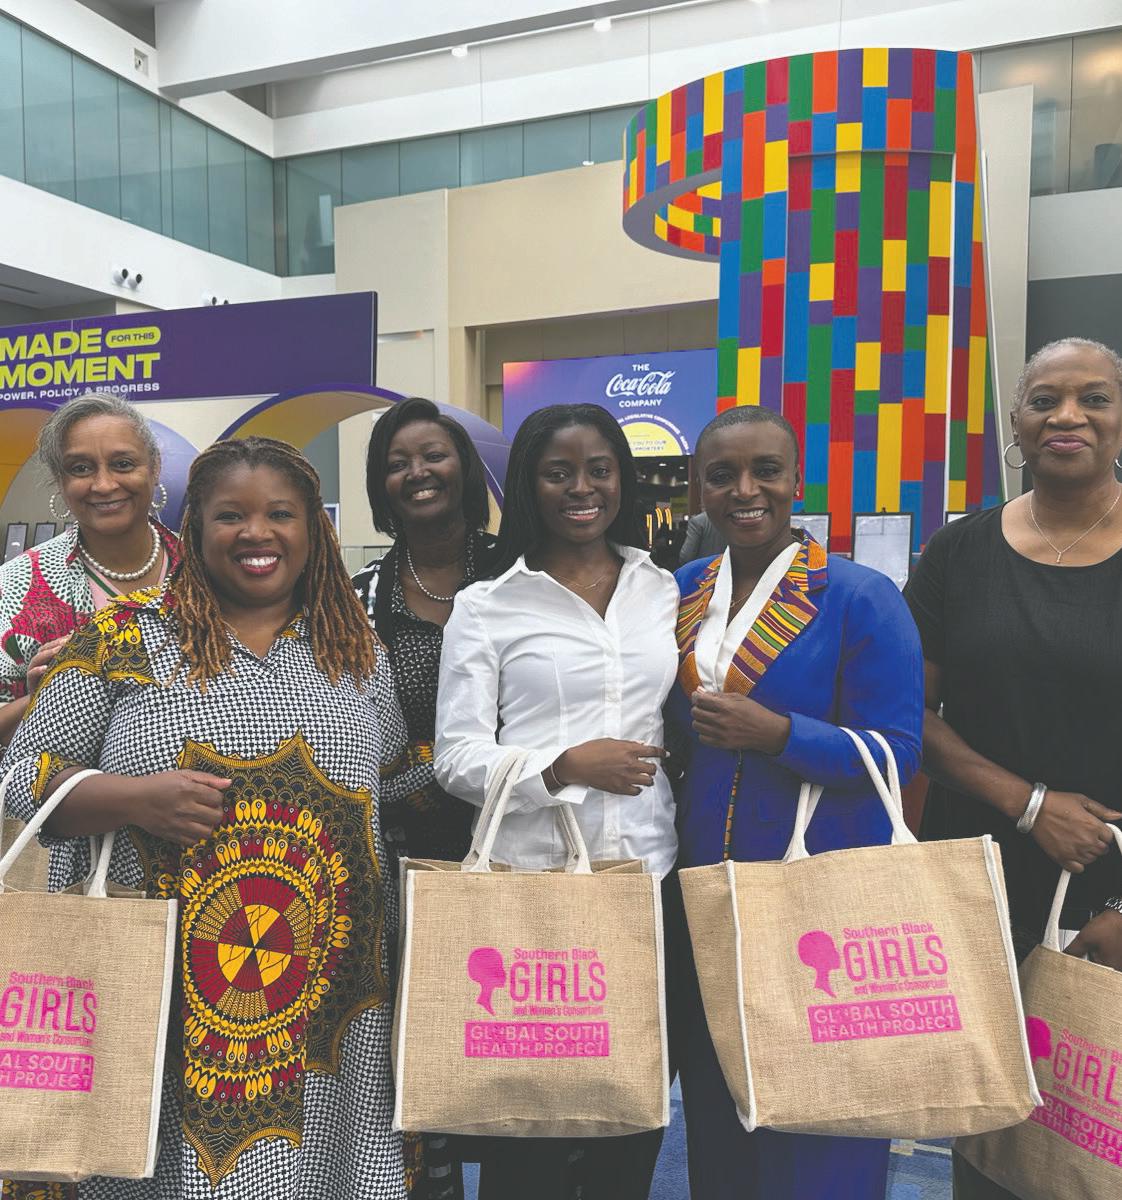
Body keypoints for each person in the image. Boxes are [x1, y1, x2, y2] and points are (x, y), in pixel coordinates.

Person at [1, 437, 410, 1199]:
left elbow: (389, 779)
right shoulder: (126, 637)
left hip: (327, 1000)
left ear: (313, 530)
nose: (257, 533)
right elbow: (18, 778)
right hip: (156, 987)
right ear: (195, 529)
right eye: (230, 515)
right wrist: (134, 798)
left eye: (280, 514)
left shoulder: (357, 652)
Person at [669, 406, 924, 1200]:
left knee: (822, 1118)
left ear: (797, 480)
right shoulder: (680, 591)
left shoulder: (859, 595)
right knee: (719, 1107)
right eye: (722, 476)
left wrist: (781, 734)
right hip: (706, 892)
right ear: (698, 488)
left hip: (819, 898)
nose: (745, 490)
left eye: (766, 471)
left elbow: (898, 751)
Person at [434, 403, 679, 1200]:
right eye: (558, 472)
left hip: (644, 883)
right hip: (534, 891)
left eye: (599, 470)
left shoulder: (661, 586)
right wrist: (563, 765)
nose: (582, 488)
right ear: (528, 486)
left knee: (630, 1121)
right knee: (529, 1136)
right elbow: (455, 759)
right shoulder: (487, 605)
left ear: (623, 480)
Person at [904, 337, 1122, 1199]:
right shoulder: (958, 554)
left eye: (1094, 398)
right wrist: (1029, 804)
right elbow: (908, 713)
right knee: (986, 1142)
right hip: (975, 883)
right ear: (1017, 423)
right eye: (1044, 399)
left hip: (1109, 891)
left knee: (1094, 1141)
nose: (1068, 416)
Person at [353, 396, 498, 1200]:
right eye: (396, 462)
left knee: (517, 1043)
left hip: (517, 847)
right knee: (415, 1056)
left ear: (464, 468)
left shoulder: (523, 574)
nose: (417, 472)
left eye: (433, 455)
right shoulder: (353, 598)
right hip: (400, 866)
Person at [0, 392, 179, 747]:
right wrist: (40, 698)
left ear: (155, 466)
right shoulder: (16, 585)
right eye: (80, 468)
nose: (104, 484)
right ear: (60, 480)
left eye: (123, 464)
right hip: (63, 781)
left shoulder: (206, 569)